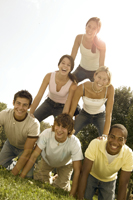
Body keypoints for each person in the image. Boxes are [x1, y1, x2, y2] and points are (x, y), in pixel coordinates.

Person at [20, 113, 83, 197]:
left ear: (69, 129)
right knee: (39, 179)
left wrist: (71, 195)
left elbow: (77, 170)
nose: (59, 130)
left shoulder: (75, 142)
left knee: (60, 188)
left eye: (64, 127)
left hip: (65, 165)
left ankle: (58, 179)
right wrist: (22, 176)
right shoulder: (46, 133)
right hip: (47, 160)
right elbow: (34, 156)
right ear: (54, 125)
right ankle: (52, 178)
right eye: (58, 125)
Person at [77, 124, 133, 200]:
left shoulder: (129, 154)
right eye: (112, 137)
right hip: (91, 175)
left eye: (120, 139)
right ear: (107, 136)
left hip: (109, 180)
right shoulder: (95, 143)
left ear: (124, 141)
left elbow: (123, 184)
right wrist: (80, 197)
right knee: (85, 197)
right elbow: (84, 172)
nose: (115, 142)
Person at [0, 90, 40, 177]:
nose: (20, 108)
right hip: (10, 144)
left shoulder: (34, 123)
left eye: (25, 105)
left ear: (29, 106)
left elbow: (27, 151)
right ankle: (15, 164)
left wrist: (13, 174)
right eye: (18, 103)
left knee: (28, 176)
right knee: (1, 164)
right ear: (13, 102)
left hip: (25, 150)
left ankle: (30, 166)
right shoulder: (4, 114)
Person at [30, 54, 78, 122]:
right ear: (59, 65)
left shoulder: (72, 84)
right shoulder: (49, 76)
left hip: (61, 107)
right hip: (48, 103)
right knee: (32, 121)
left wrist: (63, 120)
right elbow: (39, 95)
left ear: (71, 69)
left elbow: (67, 105)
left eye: (68, 65)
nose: (65, 66)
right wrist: (30, 113)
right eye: (63, 63)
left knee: (60, 126)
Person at [69, 66, 114, 137]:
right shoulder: (82, 87)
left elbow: (109, 114)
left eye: (104, 79)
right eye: (99, 77)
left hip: (100, 115)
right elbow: (72, 111)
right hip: (84, 114)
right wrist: (67, 126)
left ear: (108, 81)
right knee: (69, 133)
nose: (100, 81)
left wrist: (105, 135)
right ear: (94, 75)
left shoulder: (110, 89)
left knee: (105, 139)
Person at [71, 17, 106, 83]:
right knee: (69, 82)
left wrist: (99, 78)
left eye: (94, 28)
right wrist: (66, 71)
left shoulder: (101, 44)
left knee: (97, 90)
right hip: (81, 69)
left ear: (97, 31)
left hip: (95, 72)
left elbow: (101, 66)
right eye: (89, 26)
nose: (90, 30)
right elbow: (72, 58)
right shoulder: (79, 38)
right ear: (85, 26)